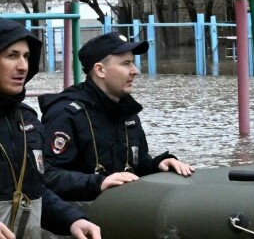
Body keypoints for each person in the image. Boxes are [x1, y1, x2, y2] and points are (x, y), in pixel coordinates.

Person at [0, 19, 102, 239]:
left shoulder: (28, 120)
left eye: (27, 57)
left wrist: (72, 220)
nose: (22, 66)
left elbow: (36, 192)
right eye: (11, 56)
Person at [39, 31, 195, 202]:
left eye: (133, 63)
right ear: (100, 70)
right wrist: (98, 183)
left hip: (123, 211)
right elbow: (47, 176)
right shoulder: (66, 113)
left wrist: (158, 165)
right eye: (126, 63)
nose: (135, 71)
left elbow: (138, 165)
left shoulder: (127, 111)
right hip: (78, 219)